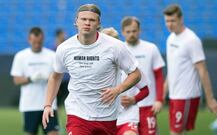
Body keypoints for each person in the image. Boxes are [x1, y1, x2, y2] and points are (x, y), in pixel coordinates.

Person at [42, 4, 141, 135]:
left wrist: (118, 90)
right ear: (76, 21)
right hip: (77, 114)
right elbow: (55, 77)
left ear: (98, 24)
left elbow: (136, 74)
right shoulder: (64, 48)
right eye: (83, 19)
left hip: (107, 116)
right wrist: (48, 105)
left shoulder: (115, 46)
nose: (87, 23)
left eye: (92, 20)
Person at [163, 4, 217, 135]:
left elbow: (203, 70)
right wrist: (163, 92)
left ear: (181, 19)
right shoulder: (170, 38)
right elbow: (172, 69)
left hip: (186, 96)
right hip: (174, 95)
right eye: (167, 21)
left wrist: (210, 99)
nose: (169, 24)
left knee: (175, 133)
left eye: (173, 21)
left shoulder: (191, 40)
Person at [10, 27, 59, 135]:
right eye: (35, 42)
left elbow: (58, 77)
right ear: (29, 40)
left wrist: (50, 77)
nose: (37, 44)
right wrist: (30, 78)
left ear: (43, 39)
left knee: (53, 133)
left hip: (49, 104)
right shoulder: (21, 56)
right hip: (30, 104)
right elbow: (16, 80)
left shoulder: (52, 55)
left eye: (39, 42)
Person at [121, 16, 165, 135]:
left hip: (148, 104)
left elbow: (159, 76)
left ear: (139, 31)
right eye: (128, 31)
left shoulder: (151, 48)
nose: (131, 34)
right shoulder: (119, 50)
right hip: (126, 108)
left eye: (134, 31)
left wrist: (159, 100)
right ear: (123, 32)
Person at [101, 27, 150, 135]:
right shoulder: (96, 69)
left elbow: (145, 90)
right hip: (103, 120)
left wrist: (133, 99)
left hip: (127, 118)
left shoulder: (131, 67)